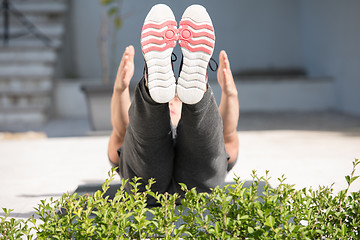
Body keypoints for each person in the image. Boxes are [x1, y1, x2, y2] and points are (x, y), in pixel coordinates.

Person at [107, 4, 239, 200]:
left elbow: (227, 136)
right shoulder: (135, 139)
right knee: (140, 137)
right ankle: (185, 92)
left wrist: (230, 93)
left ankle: (176, 91)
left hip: (148, 190)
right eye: (170, 97)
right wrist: (120, 89)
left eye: (175, 98)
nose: (171, 102)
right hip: (194, 188)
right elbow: (121, 133)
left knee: (206, 139)